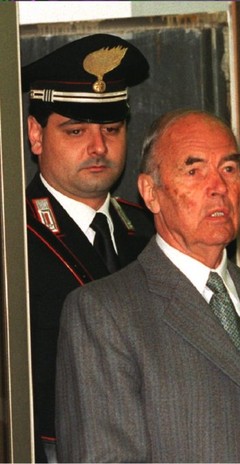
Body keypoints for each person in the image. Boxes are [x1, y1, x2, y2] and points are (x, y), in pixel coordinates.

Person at [54, 109, 240, 462]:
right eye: (194, 171)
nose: (219, 188)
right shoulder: (106, 313)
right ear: (151, 192)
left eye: (229, 169)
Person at [22, 34, 154, 462]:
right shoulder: (13, 238)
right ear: (36, 135)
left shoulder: (152, 230)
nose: (98, 147)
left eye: (111, 129)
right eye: (76, 130)